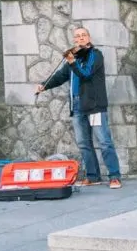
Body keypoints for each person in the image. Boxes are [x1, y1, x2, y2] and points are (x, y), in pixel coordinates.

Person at [35, 27, 122, 189]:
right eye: (77, 36)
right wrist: (44, 85)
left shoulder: (95, 55)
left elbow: (86, 73)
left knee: (104, 142)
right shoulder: (73, 59)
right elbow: (60, 76)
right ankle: (93, 176)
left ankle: (114, 176)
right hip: (77, 105)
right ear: (74, 40)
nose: (81, 38)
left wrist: (72, 62)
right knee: (83, 143)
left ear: (88, 38)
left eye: (83, 35)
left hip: (94, 105)